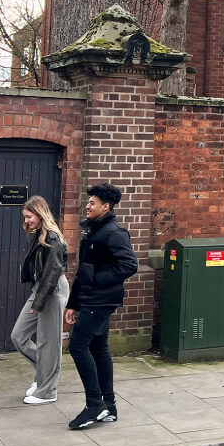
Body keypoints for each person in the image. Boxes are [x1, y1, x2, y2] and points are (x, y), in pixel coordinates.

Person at [64, 183, 138, 429]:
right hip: (91, 300)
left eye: (92, 202)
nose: (87, 205)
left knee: (77, 346)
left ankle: (95, 405)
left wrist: (96, 281)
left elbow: (129, 265)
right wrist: (73, 303)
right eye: (88, 202)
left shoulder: (114, 232)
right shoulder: (94, 231)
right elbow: (82, 272)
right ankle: (109, 407)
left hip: (102, 300)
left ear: (105, 207)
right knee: (98, 348)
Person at [10, 195, 69, 405]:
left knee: (49, 342)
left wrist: (39, 302)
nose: (27, 221)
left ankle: (47, 391)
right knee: (18, 336)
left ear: (39, 213)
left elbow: (53, 272)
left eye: (29, 216)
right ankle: (44, 375)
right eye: (25, 217)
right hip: (40, 289)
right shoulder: (39, 235)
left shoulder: (52, 238)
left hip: (51, 290)